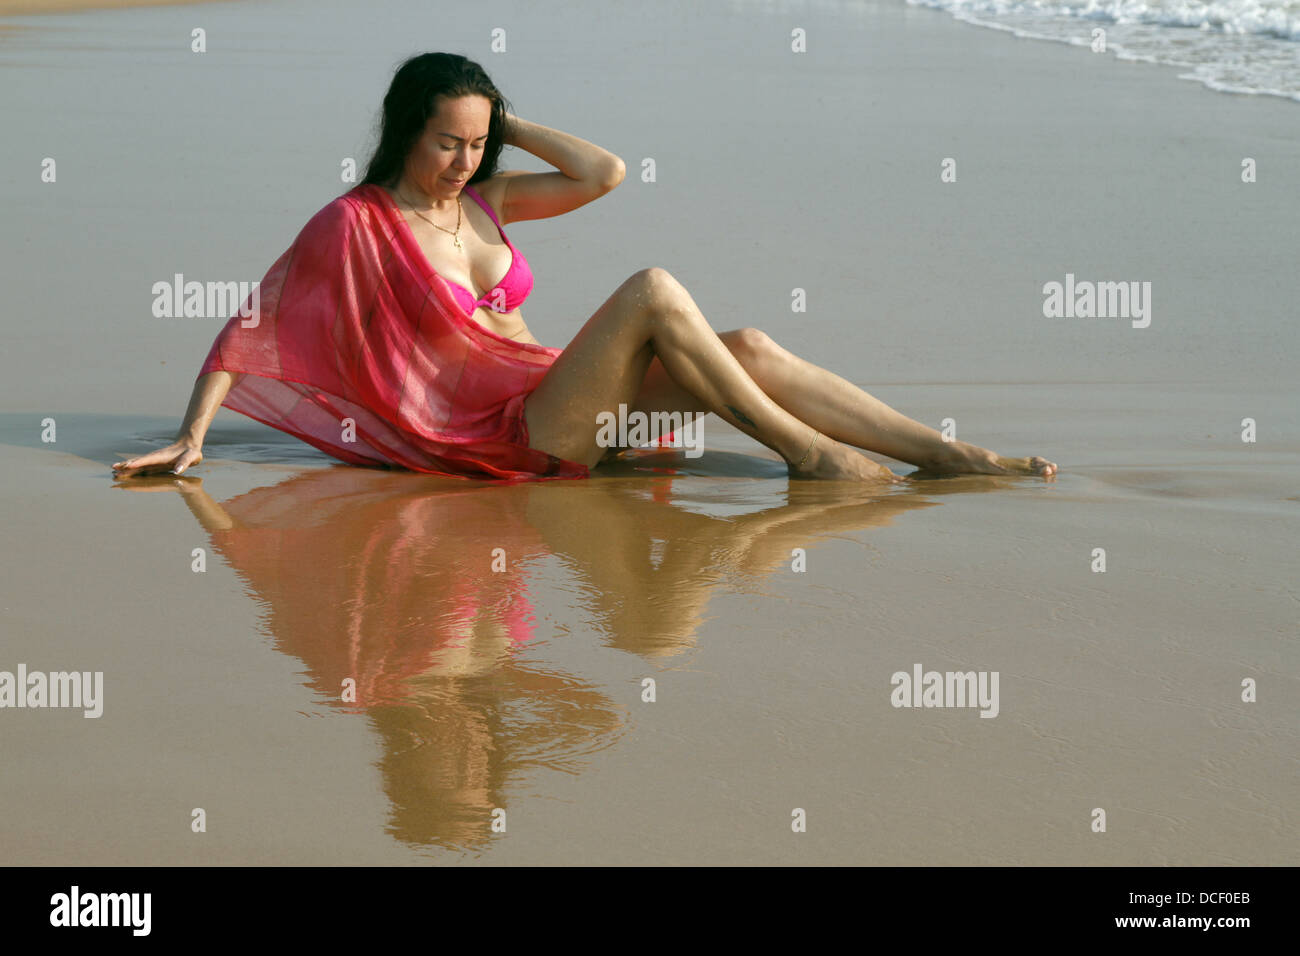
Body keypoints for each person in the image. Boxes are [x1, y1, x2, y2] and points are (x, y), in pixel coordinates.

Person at [113, 52, 1056, 483]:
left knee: (752, 345)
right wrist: (193, 435)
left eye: (476, 144)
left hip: (557, 391)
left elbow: (601, 173)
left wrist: (498, 114)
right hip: (507, 430)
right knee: (651, 290)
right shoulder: (355, 223)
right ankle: (807, 455)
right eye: (446, 142)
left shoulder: (486, 196)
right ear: (406, 131)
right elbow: (251, 323)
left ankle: (947, 453)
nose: (462, 161)